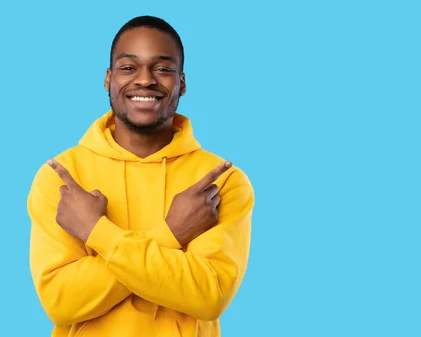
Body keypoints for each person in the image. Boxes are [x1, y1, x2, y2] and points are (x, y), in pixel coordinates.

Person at [27, 15, 255, 337]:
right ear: (108, 78)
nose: (145, 80)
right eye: (128, 67)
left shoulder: (220, 181)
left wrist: (95, 232)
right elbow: (60, 302)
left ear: (183, 83)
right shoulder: (62, 177)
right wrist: (172, 234)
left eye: (162, 68)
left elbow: (208, 296)